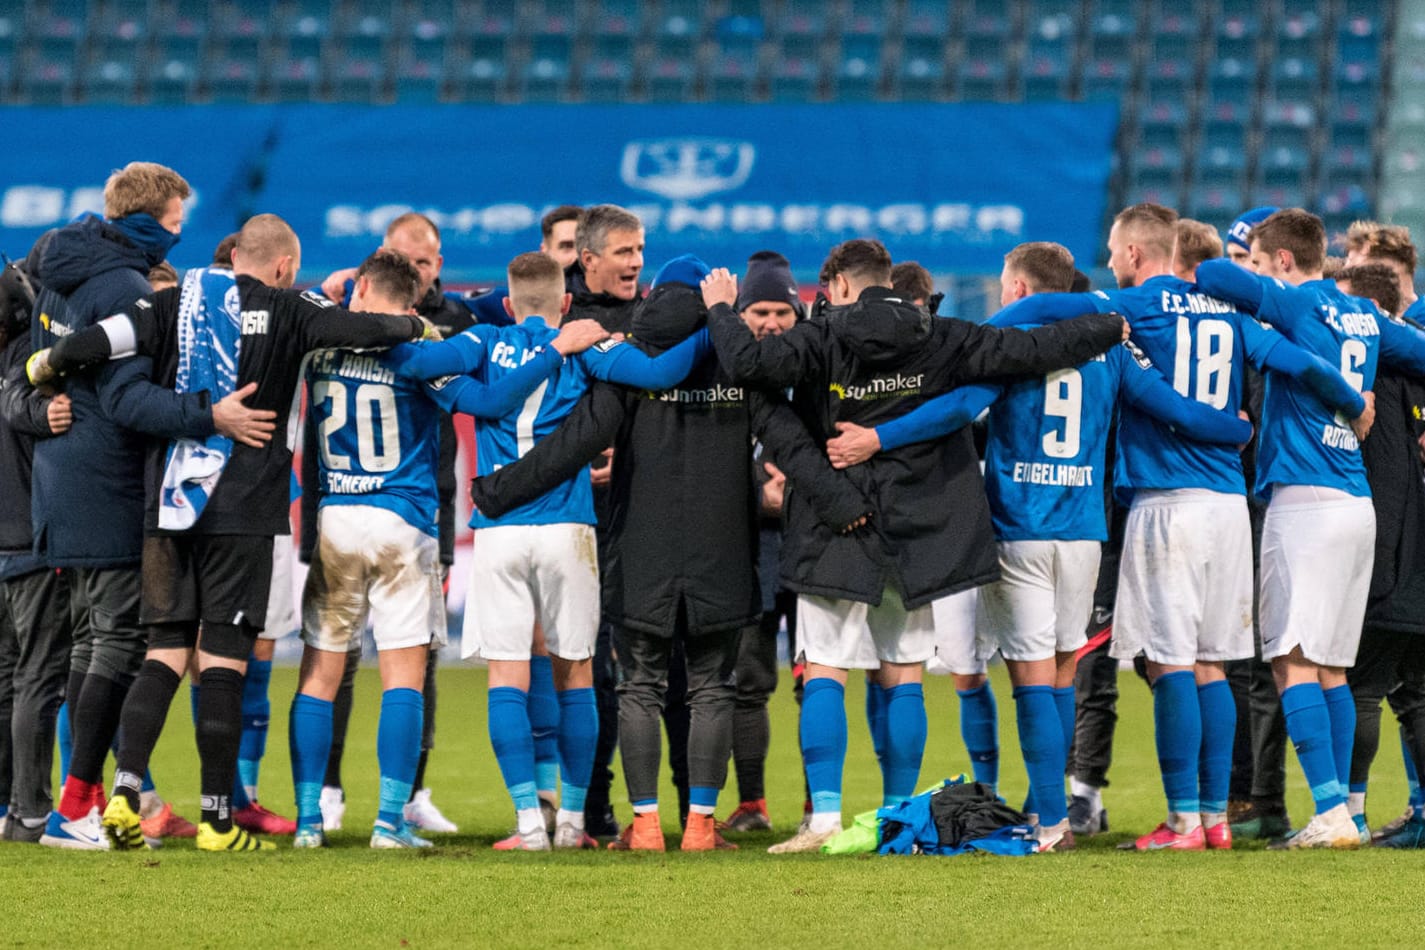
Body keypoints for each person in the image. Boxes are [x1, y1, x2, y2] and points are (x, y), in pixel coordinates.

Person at [700, 238, 1129, 852]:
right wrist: (1109, 324)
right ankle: (897, 813)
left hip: (836, 520)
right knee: (902, 673)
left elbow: (746, 365)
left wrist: (720, 308)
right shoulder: (942, 333)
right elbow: (1031, 347)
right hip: (922, 525)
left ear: (839, 287)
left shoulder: (820, 338)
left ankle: (822, 819)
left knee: (825, 665)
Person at [826, 241, 1253, 850]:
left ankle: (1051, 822)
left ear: (1022, 290)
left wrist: (878, 437)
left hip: (1021, 529)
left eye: (1005, 285)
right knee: (1059, 675)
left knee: (1030, 680)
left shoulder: (1013, 350)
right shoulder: (1111, 351)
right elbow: (1172, 408)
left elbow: (958, 410)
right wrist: (1235, 428)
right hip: (1084, 533)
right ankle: (1071, 812)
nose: (1002, 295)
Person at [29, 213, 433, 852]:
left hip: (170, 505)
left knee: (161, 653)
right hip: (242, 509)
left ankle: (126, 795)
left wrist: (43, 366)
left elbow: (93, 345)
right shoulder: (291, 307)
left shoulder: (172, 304)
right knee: (222, 659)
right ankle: (219, 820)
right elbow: (362, 328)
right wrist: (413, 323)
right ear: (282, 267)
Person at [465, 253, 878, 852]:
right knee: (712, 686)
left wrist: (498, 490)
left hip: (641, 551)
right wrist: (847, 506)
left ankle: (649, 824)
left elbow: (572, 444)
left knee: (640, 686)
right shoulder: (738, 369)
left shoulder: (631, 372)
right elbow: (793, 446)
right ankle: (702, 825)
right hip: (723, 549)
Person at [998, 203, 1372, 851]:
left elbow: (1044, 310)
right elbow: (1295, 361)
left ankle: (1181, 821)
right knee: (1212, 664)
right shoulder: (1231, 313)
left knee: (1169, 661)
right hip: (1229, 507)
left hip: (1167, 503)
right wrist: (1349, 401)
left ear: (1138, 256)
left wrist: (972, 332)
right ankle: (1216, 820)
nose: (1111, 261)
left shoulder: (1135, 306)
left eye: (1115, 251)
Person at [394, 252, 724, 850]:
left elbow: (416, 360)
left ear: (511, 302)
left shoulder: (482, 341)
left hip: (498, 531)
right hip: (569, 527)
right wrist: (714, 326)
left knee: (507, 677)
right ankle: (572, 822)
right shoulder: (588, 345)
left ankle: (528, 825)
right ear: (566, 302)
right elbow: (661, 375)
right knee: (576, 673)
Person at [25, 162, 266, 850]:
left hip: (63, 479)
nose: (176, 237)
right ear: (148, 221)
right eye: (173, 224)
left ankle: (88, 802)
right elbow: (128, 399)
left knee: (94, 643)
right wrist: (207, 415)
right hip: (106, 480)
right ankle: (75, 810)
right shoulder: (122, 285)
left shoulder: (59, 270)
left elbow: (47, 367)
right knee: (118, 644)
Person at [1194, 208, 1425, 848]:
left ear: (1286, 262)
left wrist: (1268, 305)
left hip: (1305, 501)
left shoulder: (1299, 303)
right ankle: (1347, 812)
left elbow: (1212, 271)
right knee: (1330, 669)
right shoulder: (1366, 316)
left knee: (1292, 661)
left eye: (1263, 262)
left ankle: (1327, 816)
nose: (1257, 272)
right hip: (1357, 506)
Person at [0, 261, 72, 843]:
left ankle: (6, 805)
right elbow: (22, 406)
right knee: (38, 677)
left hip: (5, 543)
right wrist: (47, 413)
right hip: (30, 537)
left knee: (8, 678)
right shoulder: (29, 353)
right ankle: (30, 813)